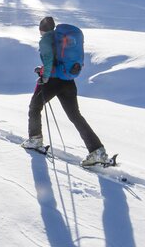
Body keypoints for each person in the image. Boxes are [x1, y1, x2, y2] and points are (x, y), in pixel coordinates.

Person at [22, 16, 108, 166]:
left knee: (34, 107)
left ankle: (35, 140)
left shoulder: (46, 40)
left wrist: (45, 77)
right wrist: (44, 70)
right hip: (68, 81)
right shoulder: (60, 38)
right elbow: (56, 60)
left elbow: (48, 59)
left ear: (41, 29)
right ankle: (97, 151)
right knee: (75, 116)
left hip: (53, 81)